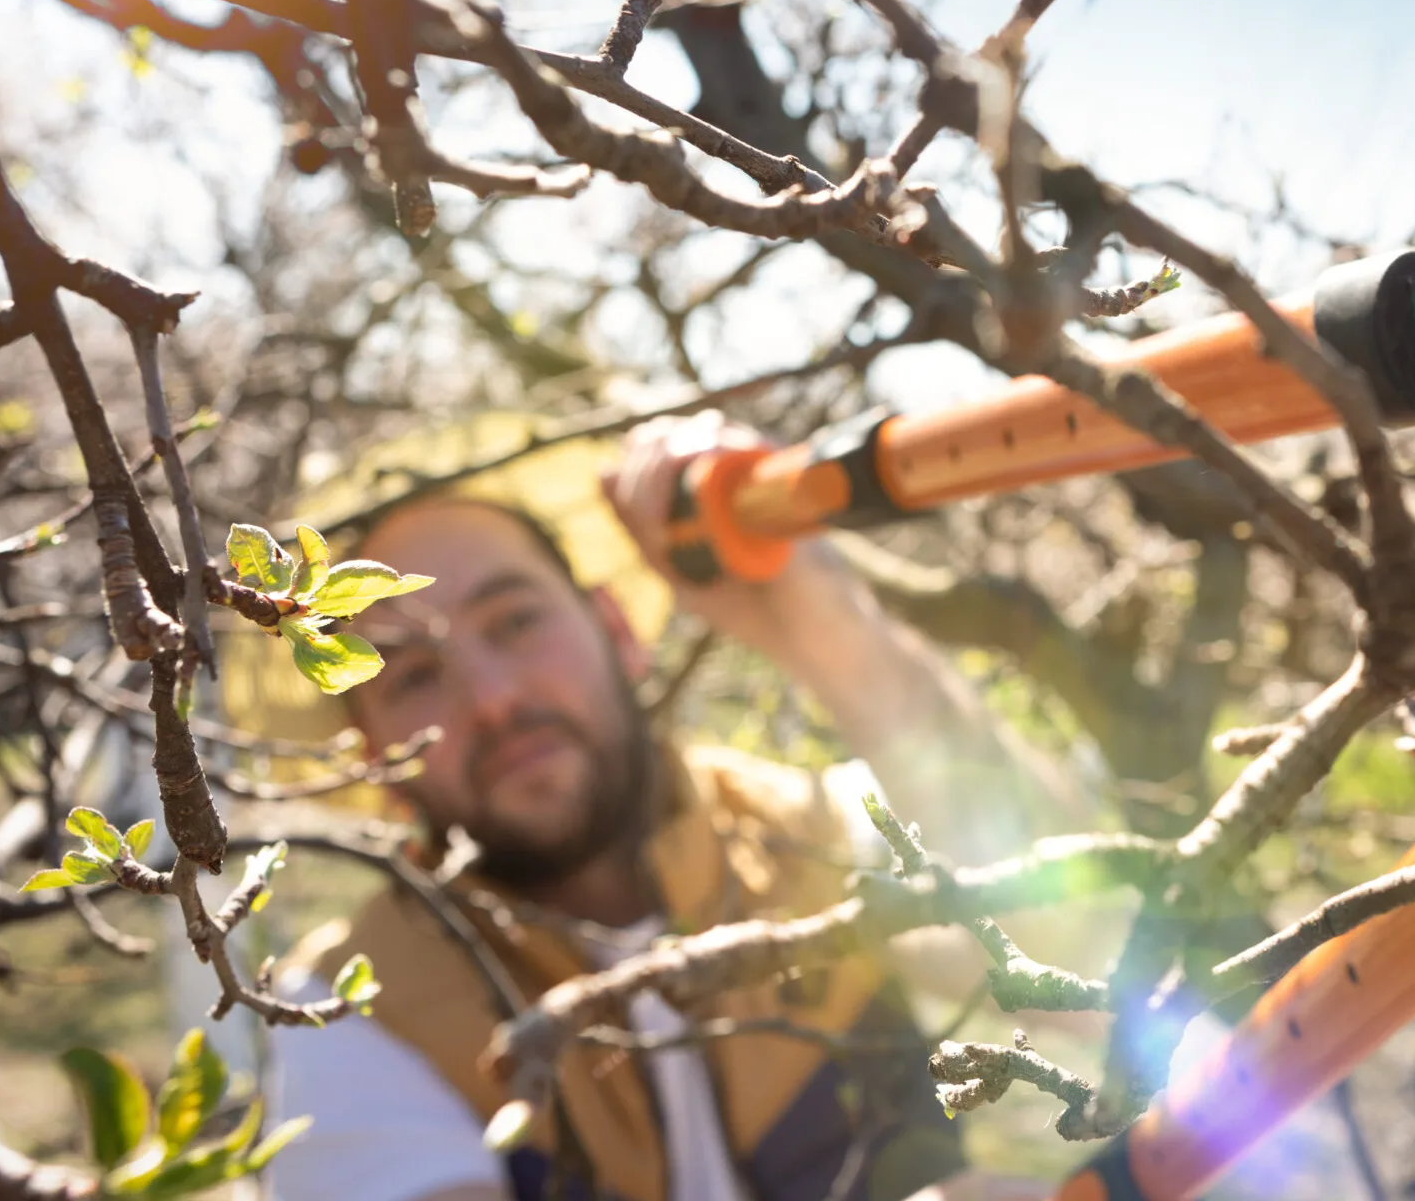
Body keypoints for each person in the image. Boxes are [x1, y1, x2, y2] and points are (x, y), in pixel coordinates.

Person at [262, 414, 1059, 1201]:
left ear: (615, 628)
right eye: (412, 676)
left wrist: (826, 626)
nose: (493, 700)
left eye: (516, 622)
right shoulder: (349, 1012)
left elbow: (1084, 938)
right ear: (372, 758)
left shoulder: (814, 832)